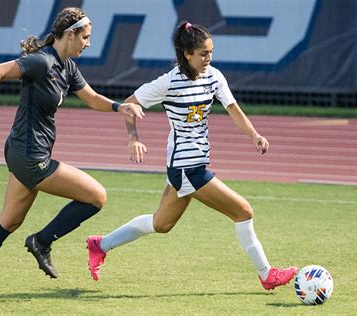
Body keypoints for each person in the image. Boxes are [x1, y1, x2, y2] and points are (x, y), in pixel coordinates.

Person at [86, 22, 297, 291]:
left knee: (161, 224)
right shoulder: (169, 82)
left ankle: (99, 245)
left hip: (190, 166)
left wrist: (254, 134)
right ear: (187, 54)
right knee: (244, 212)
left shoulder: (214, 76)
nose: (209, 58)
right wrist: (133, 137)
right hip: (187, 168)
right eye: (203, 53)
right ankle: (267, 275)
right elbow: (130, 105)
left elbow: (232, 108)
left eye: (211, 52)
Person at [0, 7, 144, 297]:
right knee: (96, 196)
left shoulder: (67, 66)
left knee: (10, 220)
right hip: (30, 157)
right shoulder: (41, 61)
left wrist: (119, 107)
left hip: (22, 151)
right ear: (70, 34)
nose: (88, 43)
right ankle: (41, 241)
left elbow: (91, 98)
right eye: (85, 37)